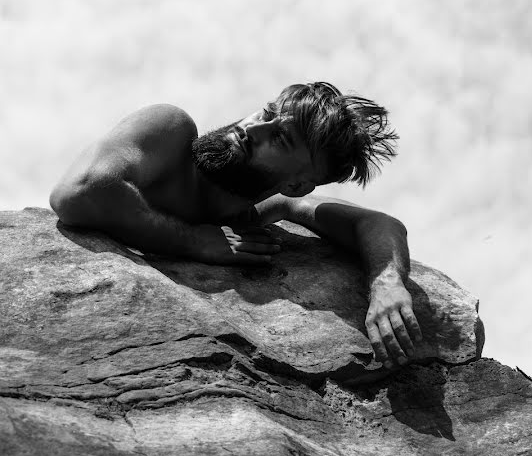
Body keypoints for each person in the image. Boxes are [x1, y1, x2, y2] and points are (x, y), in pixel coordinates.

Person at [49, 82, 420, 369]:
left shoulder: (267, 207)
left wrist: (387, 284)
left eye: (279, 136)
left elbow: (378, 223)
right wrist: (192, 241)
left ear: (295, 184)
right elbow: (78, 192)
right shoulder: (170, 131)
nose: (253, 127)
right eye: (267, 112)